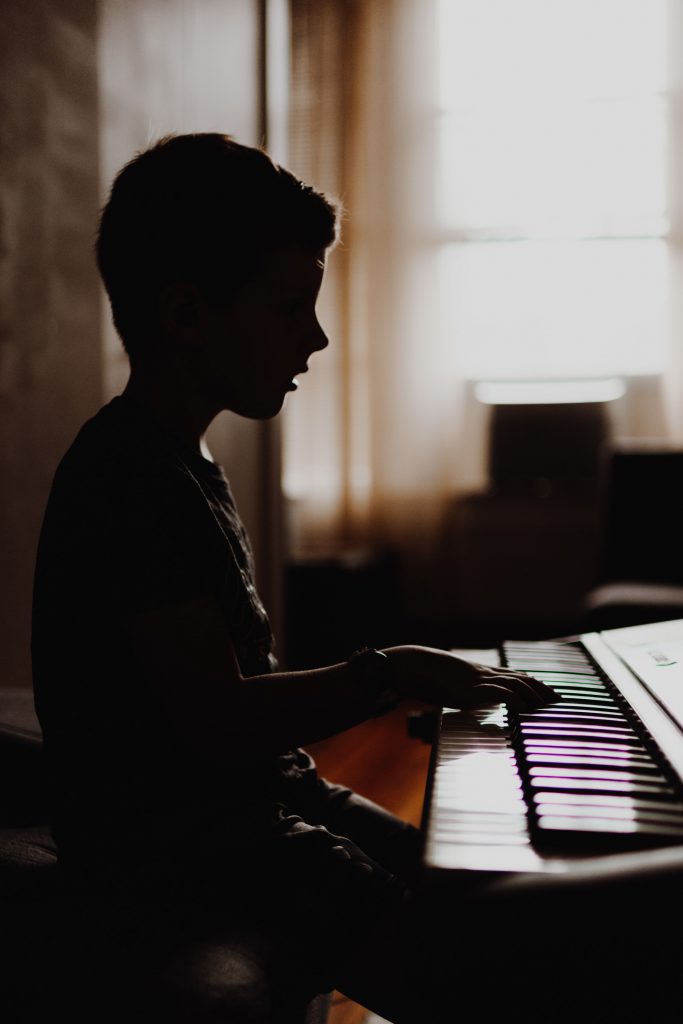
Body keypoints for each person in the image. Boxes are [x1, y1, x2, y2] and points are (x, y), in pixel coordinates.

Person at [31, 133, 559, 1022]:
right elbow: (214, 721)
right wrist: (394, 671)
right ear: (187, 314)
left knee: (497, 891)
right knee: (498, 972)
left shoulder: (177, 460)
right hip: (187, 845)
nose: (314, 338)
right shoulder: (127, 478)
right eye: (287, 308)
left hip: (249, 810)